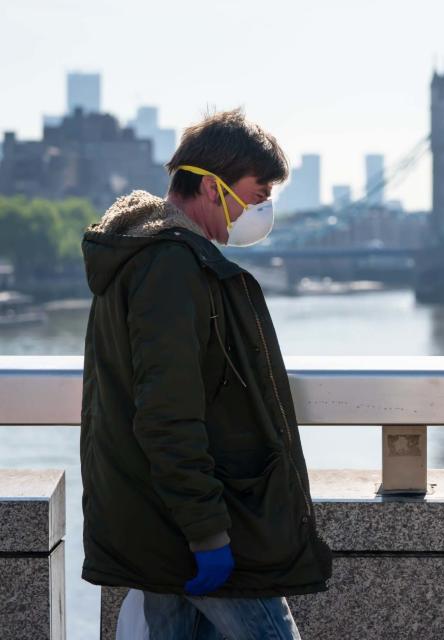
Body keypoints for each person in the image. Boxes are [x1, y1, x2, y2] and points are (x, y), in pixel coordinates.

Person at [80, 109, 332, 639]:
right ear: (214, 189)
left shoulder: (154, 257)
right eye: (258, 193)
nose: (263, 209)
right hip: (194, 524)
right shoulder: (169, 267)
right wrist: (207, 534)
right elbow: (167, 413)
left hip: (164, 513)